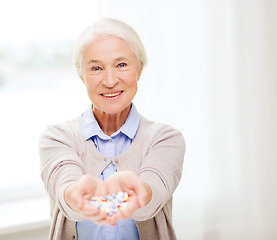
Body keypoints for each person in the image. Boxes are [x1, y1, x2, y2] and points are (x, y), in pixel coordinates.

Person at [39, 18, 185, 240]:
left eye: (121, 65)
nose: (109, 81)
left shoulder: (165, 138)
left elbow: (153, 191)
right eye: (96, 68)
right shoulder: (57, 138)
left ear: (139, 70)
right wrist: (78, 195)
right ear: (82, 76)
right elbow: (65, 187)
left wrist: (138, 192)